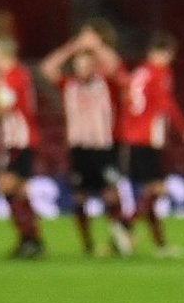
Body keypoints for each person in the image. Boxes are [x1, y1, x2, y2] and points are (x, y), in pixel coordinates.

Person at [38, 25, 132, 257]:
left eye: (87, 63)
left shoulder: (106, 84)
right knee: (80, 196)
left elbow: (114, 66)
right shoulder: (69, 85)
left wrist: (95, 45)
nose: (82, 68)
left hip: (103, 147)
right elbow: (46, 67)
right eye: (79, 64)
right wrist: (73, 46)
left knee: (110, 193)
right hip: (79, 148)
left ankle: (120, 236)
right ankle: (88, 245)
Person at [118, 31, 184, 259]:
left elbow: (128, 103)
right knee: (157, 190)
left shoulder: (138, 73)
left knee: (151, 192)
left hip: (133, 138)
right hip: (149, 139)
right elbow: (166, 103)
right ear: (166, 53)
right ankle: (125, 224)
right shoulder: (160, 72)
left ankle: (160, 245)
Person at [0, 35, 46, 260]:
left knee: (6, 186)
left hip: (18, 140)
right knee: (19, 191)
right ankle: (31, 240)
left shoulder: (12, 76)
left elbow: (4, 109)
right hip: (21, 139)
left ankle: (29, 237)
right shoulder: (19, 75)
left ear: (2, 54)